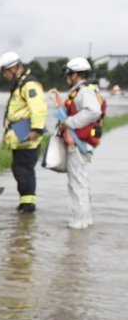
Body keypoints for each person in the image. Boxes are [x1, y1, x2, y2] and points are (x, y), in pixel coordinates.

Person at [55, 57, 106, 229]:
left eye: (69, 74)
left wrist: (69, 122)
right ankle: (84, 221)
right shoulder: (85, 90)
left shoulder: (84, 91)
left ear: (76, 74)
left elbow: (93, 111)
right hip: (81, 142)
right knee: (81, 182)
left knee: (77, 183)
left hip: (78, 143)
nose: (67, 77)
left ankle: (78, 224)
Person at [0, 51, 48, 214]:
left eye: (5, 72)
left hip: (28, 135)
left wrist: (36, 130)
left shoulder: (29, 85)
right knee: (19, 169)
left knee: (23, 170)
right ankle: (25, 204)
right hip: (19, 134)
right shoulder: (21, 84)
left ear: (13, 68)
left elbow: (38, 108)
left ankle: (28, 206)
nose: (5, 75)